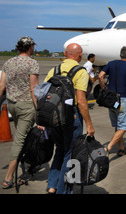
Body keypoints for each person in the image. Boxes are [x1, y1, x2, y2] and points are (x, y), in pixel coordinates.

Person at [45, 43, 95, 194]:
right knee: (70, 153)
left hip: (53, 117)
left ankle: (52, 186)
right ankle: (63, 190)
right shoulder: (80, 72)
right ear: (80, 56)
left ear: (65, 53)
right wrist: (89, 124)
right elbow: (81, 101)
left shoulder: (54, 70)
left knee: (59, 149)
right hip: (71, 117)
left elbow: (43, 94)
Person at [0, 37, 39, 189]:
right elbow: (34, 89)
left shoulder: (9, 62)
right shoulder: (31, 63)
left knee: (24, 135)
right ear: (30, 47)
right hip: (26, 107)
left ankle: (28, 163)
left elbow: (2, 85)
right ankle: (8, 177)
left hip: (12, 106)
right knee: (20, 140)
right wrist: (39, 109)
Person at [98, 46, 126, 157]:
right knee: (123, 126)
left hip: (111, 100)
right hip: (122, 100)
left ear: (121, 55)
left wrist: (104, 90)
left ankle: (121, 148)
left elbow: (100, 76)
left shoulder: (111, 64)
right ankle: (109, 147)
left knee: (117, 125)